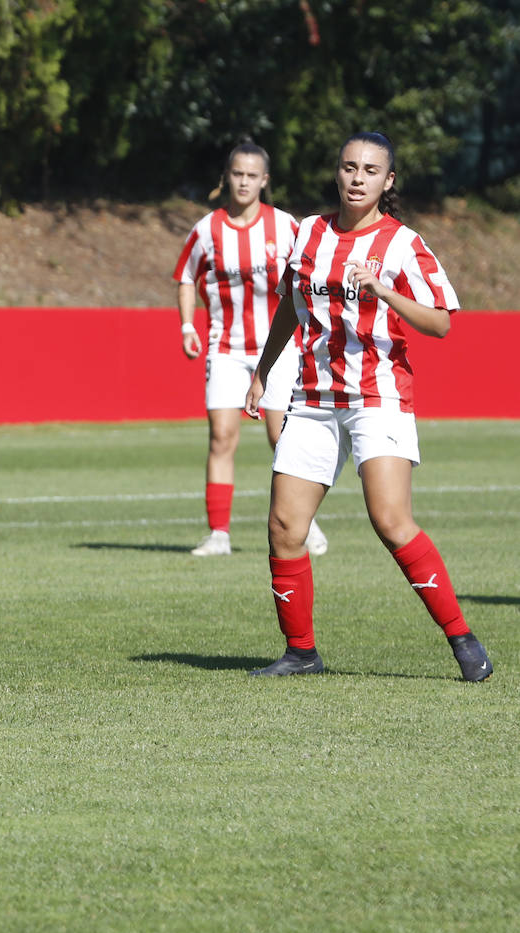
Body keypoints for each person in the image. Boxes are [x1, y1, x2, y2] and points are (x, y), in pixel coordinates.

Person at [243, 131, 492, 680]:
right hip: (311, 397)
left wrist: (383, 291)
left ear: (388, 180)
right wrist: (264, 372)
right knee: (285, 525)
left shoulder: (402, 243)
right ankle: (301, 652)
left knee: (390, 520)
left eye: (370, 170)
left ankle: (463, 639)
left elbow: (441, 323)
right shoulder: (308, 232)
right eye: (349, 167)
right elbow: (290, 305)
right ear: (338, 173)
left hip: (377, 397)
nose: (357, 178)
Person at [175, 141, 329, 558]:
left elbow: (312, 275)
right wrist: (188, 324)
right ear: (227, 177)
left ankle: (304, 519)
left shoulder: (285, 226)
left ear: (265, 180)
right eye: (237, 174)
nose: (243, 182)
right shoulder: (207, 230)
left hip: (278, 350)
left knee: (281, 437)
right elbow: (186, 276)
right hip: (225, 348)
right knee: (222, 437)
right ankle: (218, 535)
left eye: (251, 175)